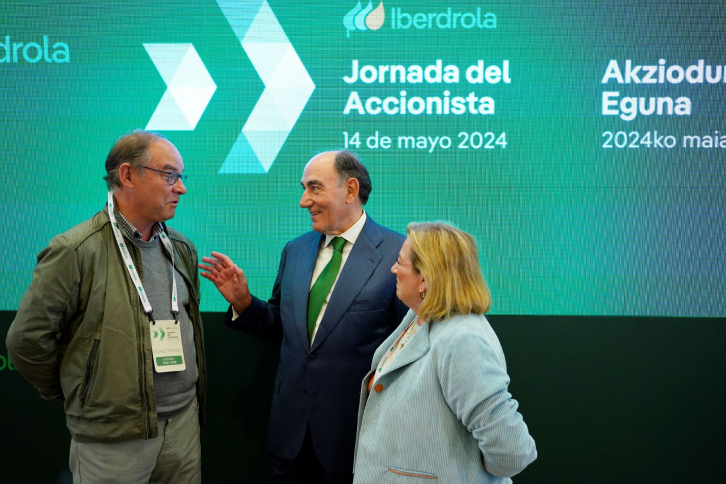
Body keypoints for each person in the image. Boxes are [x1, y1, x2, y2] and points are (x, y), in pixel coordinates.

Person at [6, 130, 206, 484]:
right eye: (169, 175)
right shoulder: (76, 250)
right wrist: (80, 391)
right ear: (127, 175)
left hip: (183, 426)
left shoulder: (181, 248)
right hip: (114, 437)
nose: (181, 188)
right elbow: (26, 341)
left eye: (181, 177)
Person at [199, 149, 407, 483]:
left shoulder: (399, 253)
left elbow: (409, 348)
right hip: (289, 436)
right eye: (303, 188)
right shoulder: (295, 250)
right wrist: (244, 303)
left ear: (350, 190)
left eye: (314, 188)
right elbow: (281, 325)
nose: (303, 200)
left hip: (354, 438)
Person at [353, 222, 537, 483]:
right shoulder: (419, 319)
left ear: (425, 278)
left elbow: (512, 451)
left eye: (400, 262)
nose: (393, 269)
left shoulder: (462, 340)